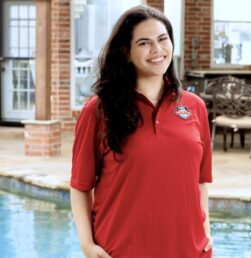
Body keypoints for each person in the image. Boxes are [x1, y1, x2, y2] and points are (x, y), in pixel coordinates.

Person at [70, 5, 213, 258]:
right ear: (126, 52)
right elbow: (80, 186)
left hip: (189, 250)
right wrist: (87, 245)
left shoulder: (195, 107)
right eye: (145, 43)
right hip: (122, 251)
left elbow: (200, 181)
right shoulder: (98, 110)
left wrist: (205, 230)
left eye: (162, 39)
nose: (157, 50)